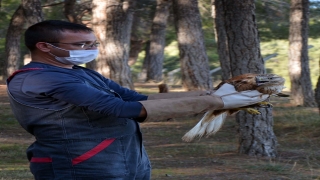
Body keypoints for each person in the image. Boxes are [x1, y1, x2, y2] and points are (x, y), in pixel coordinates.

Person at [6, 20, 268, 180]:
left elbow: (137, 96)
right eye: (81, 45)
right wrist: (220, 104)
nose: (91, 49)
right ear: (44, 46)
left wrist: (214, 93)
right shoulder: (41, 79)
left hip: (126, 159)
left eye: (93, 43)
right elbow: (122, 108)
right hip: (79, 165)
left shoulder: (80, 73)